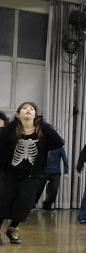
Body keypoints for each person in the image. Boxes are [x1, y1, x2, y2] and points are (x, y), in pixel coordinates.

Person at [0, 102, 64, 244]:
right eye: (24, 108)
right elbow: (1, 141)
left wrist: (44, 125)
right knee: (5, 200)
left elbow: (58, 142)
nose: (28, 110)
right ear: (18, 114)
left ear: (35, 114)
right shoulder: (12, 130)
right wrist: (14, 123)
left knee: (25, 203)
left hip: (31, 175)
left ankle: (12, 229)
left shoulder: (42, 132)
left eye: (31, 108)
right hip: (10, 173)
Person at [35, 146, 70, 211]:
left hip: (55, 173)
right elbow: (38, 159)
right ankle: (32, 204)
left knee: (54, 189)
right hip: (44, 172)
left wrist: (66, 172)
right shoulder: (44, 147)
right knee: (39, 189)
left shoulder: (59, 148)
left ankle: (47, 205)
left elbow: (65, 159)